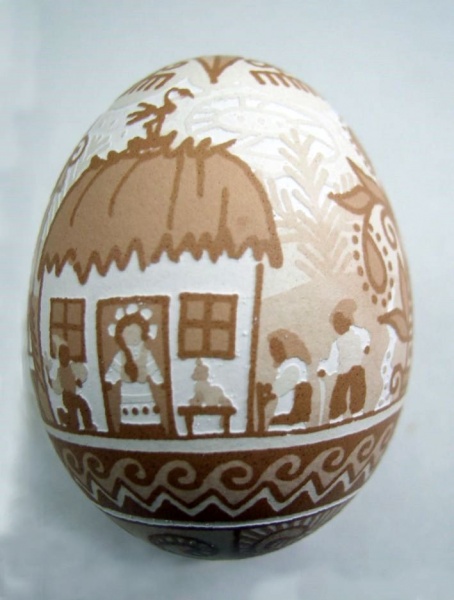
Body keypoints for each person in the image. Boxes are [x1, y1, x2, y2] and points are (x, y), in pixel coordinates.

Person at [105, 312, 163, 426]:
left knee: (147, 410)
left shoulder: (146, 353)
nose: (133, 337)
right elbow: (114, 369)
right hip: (128, 390)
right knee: (129, 413)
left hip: (143, 389)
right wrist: (110, 381)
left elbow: (153, 369)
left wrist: (159, 381)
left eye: (136, 333)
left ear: (142, 333)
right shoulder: (120, 355)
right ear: (121, 336)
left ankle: (151, 425)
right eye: (129, 333)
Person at [318, 299, 370, 421]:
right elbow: (332, 361)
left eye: (340, 322)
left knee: (357, 392)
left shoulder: (357, 333)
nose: (337, 327)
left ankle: (357, 413)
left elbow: (365, 337)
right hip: (343, 372)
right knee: (339, 394)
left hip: (356, 369)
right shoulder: (337, 343)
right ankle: (336, 417)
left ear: (348, 321)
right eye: (335, 324)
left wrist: (366, 346)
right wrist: (324, 369)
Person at [45, 341, 95, 432]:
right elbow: (57, 387)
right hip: (67, 397)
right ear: (60, 357)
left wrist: (79, 380)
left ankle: (88, 425)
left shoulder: (72, 367)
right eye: (64, 356)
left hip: (73, 395)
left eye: (68, 355)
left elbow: (83, 372)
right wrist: (49, 378)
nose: (66, 358)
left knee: (84, 406)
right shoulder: (60, 372)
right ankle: (64, 417)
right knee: (74, 419)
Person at [268, 329, 312, 426]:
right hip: (286, 416)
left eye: (277, 347)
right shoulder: (287, 365)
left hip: (289, 419)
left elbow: (278, 389)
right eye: (271, 348)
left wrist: (266, 393)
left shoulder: (293, 365)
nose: (273, 352)